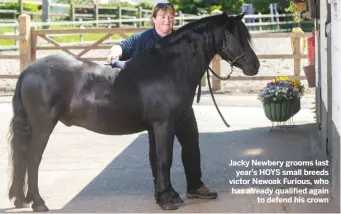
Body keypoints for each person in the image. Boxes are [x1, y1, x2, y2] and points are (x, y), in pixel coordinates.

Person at [107, 2, 218, 200]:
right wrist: (115, 51)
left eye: (170, 17)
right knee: (156, 147)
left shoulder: (182, 39)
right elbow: (122, 45)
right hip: (155, 107)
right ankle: (160, 185)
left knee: (191, 143)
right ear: (154, 19)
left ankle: (195, 185)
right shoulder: (143, 38)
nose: (167, 20)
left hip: (181, 105)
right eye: (163, 16)